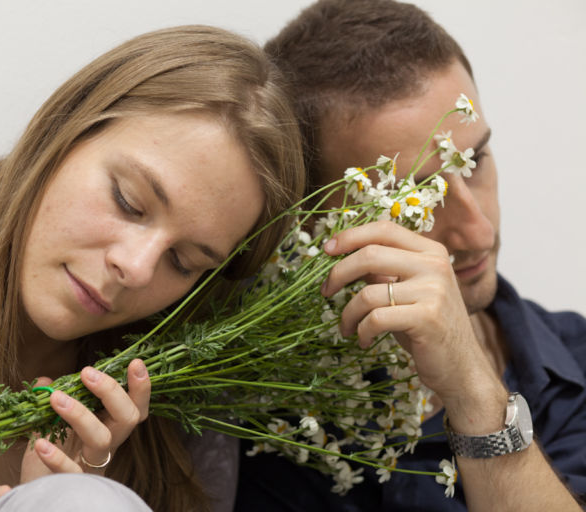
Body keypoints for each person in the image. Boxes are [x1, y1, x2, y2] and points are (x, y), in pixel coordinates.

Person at [0, 25, 306, 512]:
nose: (135, 268)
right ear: (63, 131)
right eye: (128, 201)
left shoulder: (177, 442)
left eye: (183, 263)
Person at [233, 1, 586, 510]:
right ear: (308, 221)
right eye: (413, 198)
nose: (477, 230)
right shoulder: (278, 436)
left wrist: (474, 393)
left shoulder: (575, 357)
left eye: (476, 159)